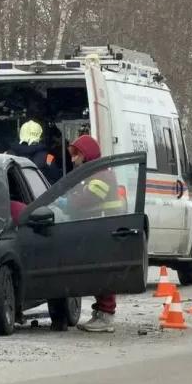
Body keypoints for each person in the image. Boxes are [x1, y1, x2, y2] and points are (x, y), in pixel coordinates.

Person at [67, 135, 121, 333]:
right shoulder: (95, 174)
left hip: (103, 229)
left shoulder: (101, 176)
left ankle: (106, 316)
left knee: (103, 273)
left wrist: (67, 203)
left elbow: (87, 199)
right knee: (98, 273)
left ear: (87, 154)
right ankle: (100, 312)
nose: (73, 159)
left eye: (76, 155)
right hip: (98, 228)